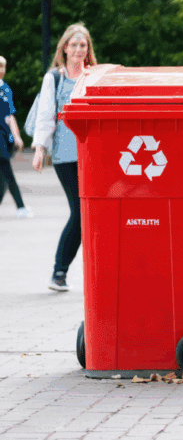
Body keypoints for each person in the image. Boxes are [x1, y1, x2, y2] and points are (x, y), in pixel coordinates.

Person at [32, 23, 98, 292]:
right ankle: (59, 271)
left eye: (83, 46)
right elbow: (46, 114)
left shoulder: (94, 76)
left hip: (93, 155)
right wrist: (39, 149)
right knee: (80, 213)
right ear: (65, 48)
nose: (78, 50)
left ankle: (85, 273)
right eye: (74, 45)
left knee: (91, 214)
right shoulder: (55, 78)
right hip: (65, 155)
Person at [1, 56, 31, 218]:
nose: (1, 70)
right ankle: (20, 207)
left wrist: (17, 137)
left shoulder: (6, 89)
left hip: (5, 139)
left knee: (3, 178)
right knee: (7, 173)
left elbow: (11, 117)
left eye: (3, 67)